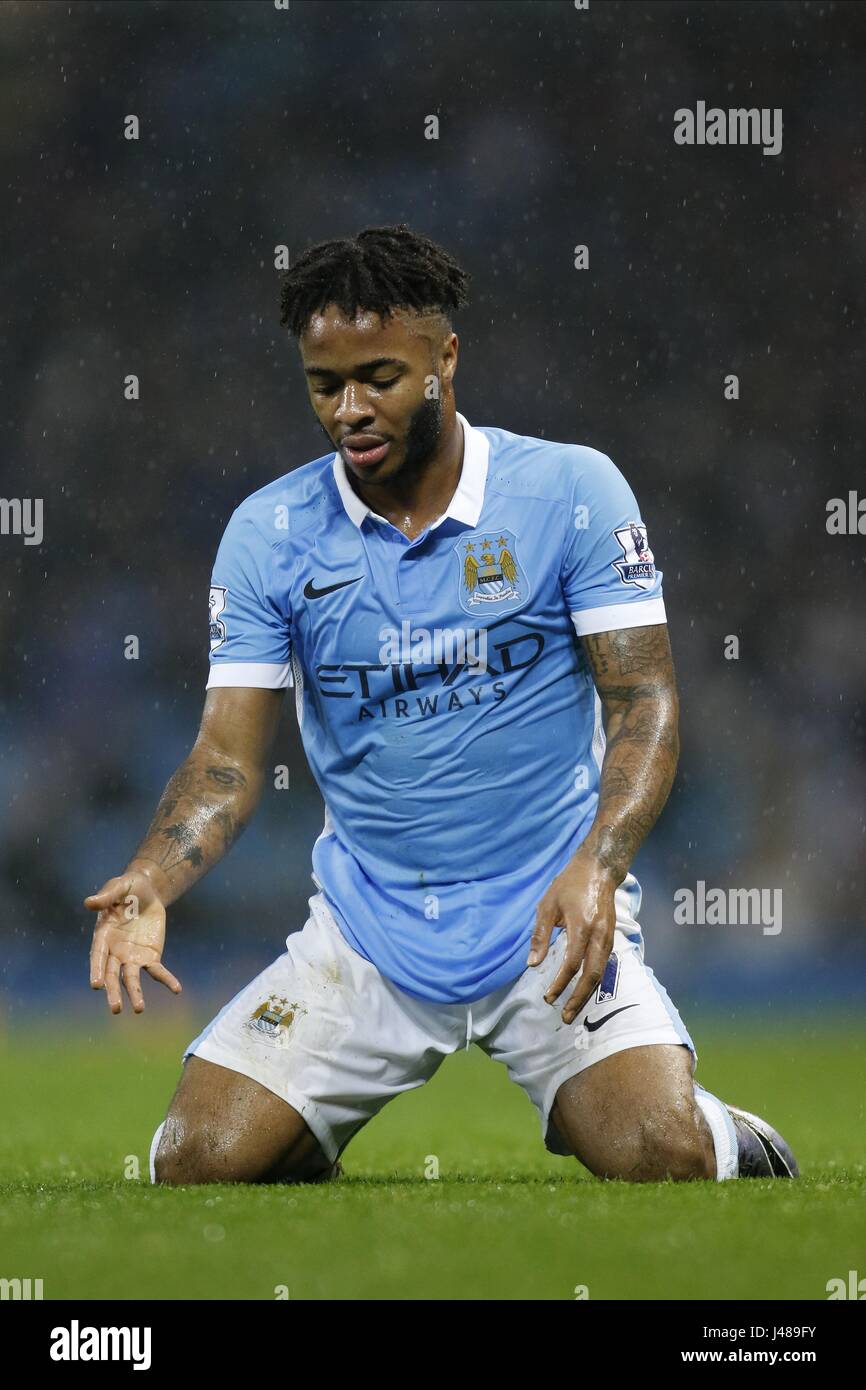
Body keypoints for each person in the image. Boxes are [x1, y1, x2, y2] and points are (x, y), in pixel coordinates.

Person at [85, 224, 797, 1186]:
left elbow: (646, 703)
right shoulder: (269, 536)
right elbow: (226, 761)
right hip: (367, 934)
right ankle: (307, 1135)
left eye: (378, 375)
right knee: (195, 1162)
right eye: (322, 384)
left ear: (446, 357)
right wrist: (149, 882)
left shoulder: (570, 492)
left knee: (662, 1152)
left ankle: (732, 1134)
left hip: (553, 921)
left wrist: (599, 865)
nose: (349, 408)